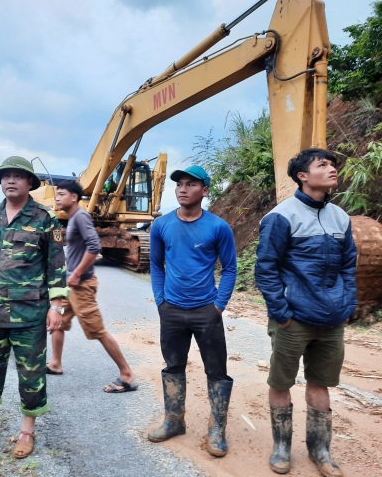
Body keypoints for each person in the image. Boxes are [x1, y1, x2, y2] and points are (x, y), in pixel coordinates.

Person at [0, 156, 69, 460]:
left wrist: (56, 307)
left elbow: (56, 266)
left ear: (30, 183)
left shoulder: (45, 218)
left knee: (30, 375)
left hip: (29, 312)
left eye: (18, 176)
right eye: (6, 176)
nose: (11, 180)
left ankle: (27, 431)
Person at [255, 148, 357, 476]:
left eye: (332, 165)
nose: (331, 170)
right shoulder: (281, 216)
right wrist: (281, 311)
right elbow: (266, 268)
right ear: (302, 175)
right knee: (281, 381)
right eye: (322, 165)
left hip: (331, 319)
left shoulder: (340, 217)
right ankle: (282, 447)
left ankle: (320, 451)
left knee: (320, 383)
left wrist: (347, 303)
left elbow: (348, 265)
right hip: (292, 319)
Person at [148, 165, 237, 457]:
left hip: (205, 311)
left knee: (217, 371)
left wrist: (218, 306)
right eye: (179, 184)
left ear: (205, 190)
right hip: (172, 310)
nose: (183, 189)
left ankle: (216, 429)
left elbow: (230, 268)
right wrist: (161, 301)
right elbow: (155, 264)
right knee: (173, 366)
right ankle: (174, 420)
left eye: (191, 184)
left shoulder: (217, 227)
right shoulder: (162, 225)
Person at [46, 179, 137, 393]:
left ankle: (127, 374)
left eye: (61, 194)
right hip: (70, 285)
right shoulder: (72, 219)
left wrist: (77, 274)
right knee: (57, 321)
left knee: (97, 330)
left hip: (81, 286)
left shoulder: (81, 217)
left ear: (74, 197)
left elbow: (95, 246)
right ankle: (56, 363)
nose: (57, 198)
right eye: (56, 194)